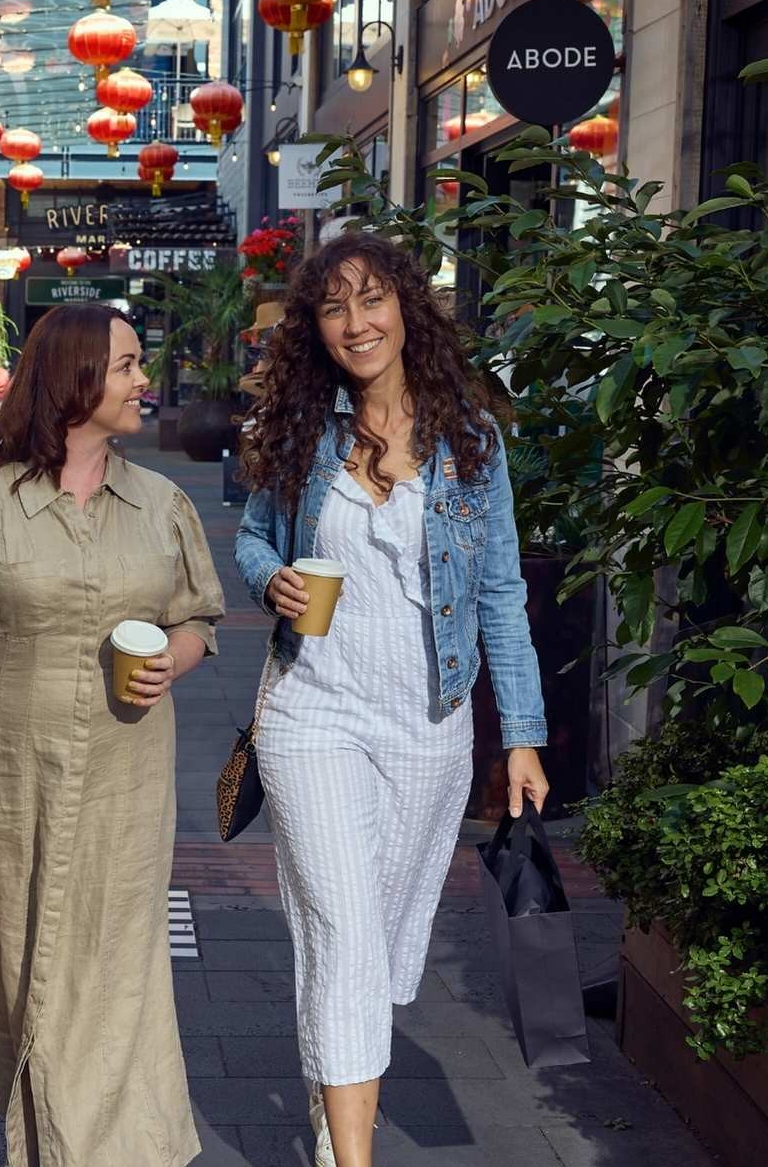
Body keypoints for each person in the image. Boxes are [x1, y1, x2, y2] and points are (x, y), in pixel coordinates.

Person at [0, 304, 226, 1166]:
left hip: (128, 777)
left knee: (118, 973)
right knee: (26, 976)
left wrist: (172, 659)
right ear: (73, 379)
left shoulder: (162, 504)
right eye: (127, 365)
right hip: (2, 781)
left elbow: (199, 618)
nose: (144, 381)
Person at [234, 234, 551, 1167]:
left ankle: (334, 1100)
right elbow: (253, 538)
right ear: (316, 327)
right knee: (343, 926)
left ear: (408, 308)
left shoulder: (471, 440)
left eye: (371, 300)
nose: (356, 323)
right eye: (334, 308)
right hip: (311, 710)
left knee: (374, 941)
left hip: (427, 723)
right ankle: (352, 1156)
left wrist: (522, 736)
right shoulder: (303, 430)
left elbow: (501, 595)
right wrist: (270, 579)